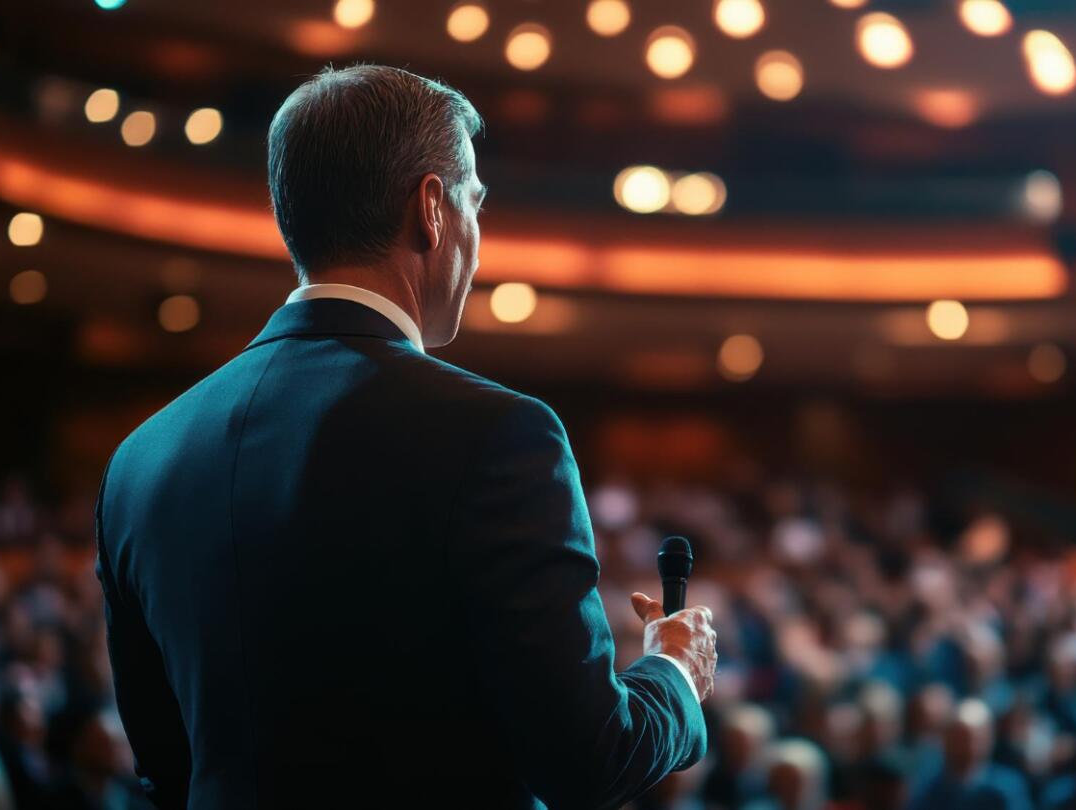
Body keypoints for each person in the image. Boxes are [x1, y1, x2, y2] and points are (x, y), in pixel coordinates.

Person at [93, 64, 716, 809]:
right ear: (431, 208)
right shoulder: (500, 436)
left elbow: (166, 767)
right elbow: (589, 762)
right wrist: (674, 671)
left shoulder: (139, 461)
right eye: (475, 205)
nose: (478, 243)